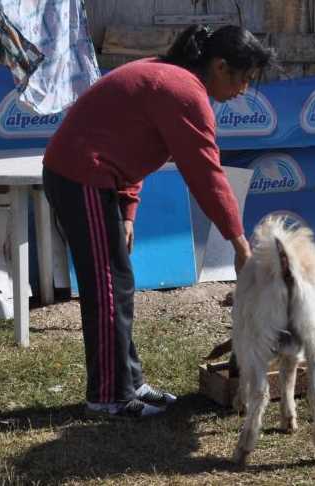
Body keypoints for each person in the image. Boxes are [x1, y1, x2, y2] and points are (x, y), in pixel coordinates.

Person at [42, 24, 276, 419]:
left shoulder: (170, 80)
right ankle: (107, 397)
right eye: (243, 79)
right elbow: (206, 174)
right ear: (220, 67)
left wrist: (128, 211)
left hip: (97, 177)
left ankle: (130, 382)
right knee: (106, 289)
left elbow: (130, 144)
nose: (242, 91)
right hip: (80, 177)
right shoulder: (183, 91)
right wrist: (238, 242)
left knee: (120, 284)